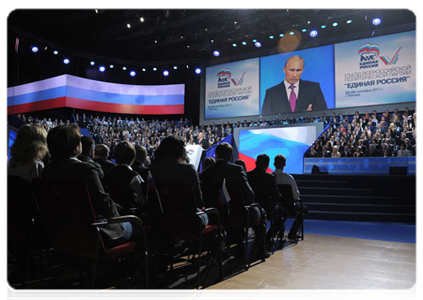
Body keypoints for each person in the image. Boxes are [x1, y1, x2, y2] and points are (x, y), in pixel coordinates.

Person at [41, 125, 135, 248]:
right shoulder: (85, 170)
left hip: (60, 231)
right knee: (135, 226)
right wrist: (119, 217)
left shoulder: (46, 171)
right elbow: (103, 203)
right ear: (75, 147)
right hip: (91, 232)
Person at [200, 143, 265, 258]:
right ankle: (260, 251)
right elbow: (250, 195)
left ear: (216, 155)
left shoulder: (205, 173)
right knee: (260, 212)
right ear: (230, 156)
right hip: (238, 215)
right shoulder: (237, 170)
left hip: (214, 216)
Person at [247, 154, 288, 250]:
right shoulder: (270, 178)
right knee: (284, 213)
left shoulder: (248, 175)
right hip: (267, 209)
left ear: (256, 163)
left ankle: (263, 237)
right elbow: (276, 196)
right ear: (267, 165)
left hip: (251, 209)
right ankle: (269, 236)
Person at [261, 55, 327, 115]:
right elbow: (265, 120)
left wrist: (311, 115)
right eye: (292, 70)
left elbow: (324, 114)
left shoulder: (313, 88)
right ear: (284, 69)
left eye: (298, 70)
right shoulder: (271, 93)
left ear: (302, 70)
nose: (294, 75)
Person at [103, 141, 145, 217]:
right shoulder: (134, 176)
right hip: (130, 217)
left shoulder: (107, 174)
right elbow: (142, 200)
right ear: (133, 157)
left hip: (111, 216)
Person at [272, 155, 308, 240]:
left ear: (274, 164)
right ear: (285, 164)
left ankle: (279, 227)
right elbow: (296, 195)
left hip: (275, 207)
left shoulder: (271, 177)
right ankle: (293, 232)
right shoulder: (289, 178)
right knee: (304, 209)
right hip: (289, 207)